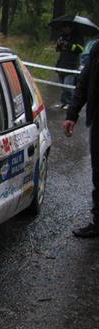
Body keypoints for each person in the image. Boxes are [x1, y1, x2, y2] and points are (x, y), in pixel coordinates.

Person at [63, 42, 99, 237]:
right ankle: (98, 222)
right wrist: (71, 114)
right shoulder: (97, 49)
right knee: (98, 174)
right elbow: (83, 84)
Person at [55, 24, 84, 110]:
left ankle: (71, 103)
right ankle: (64, 102)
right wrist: (59, 44)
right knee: (62, 85)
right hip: (62, 63)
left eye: (67, 27)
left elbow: (80, 49)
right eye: (64, 27)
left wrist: (68, 44)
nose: (65, 28)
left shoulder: (78, 37)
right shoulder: (62, 36)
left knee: (68, 85)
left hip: (71, 65)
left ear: (71, 27)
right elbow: (58, 49)